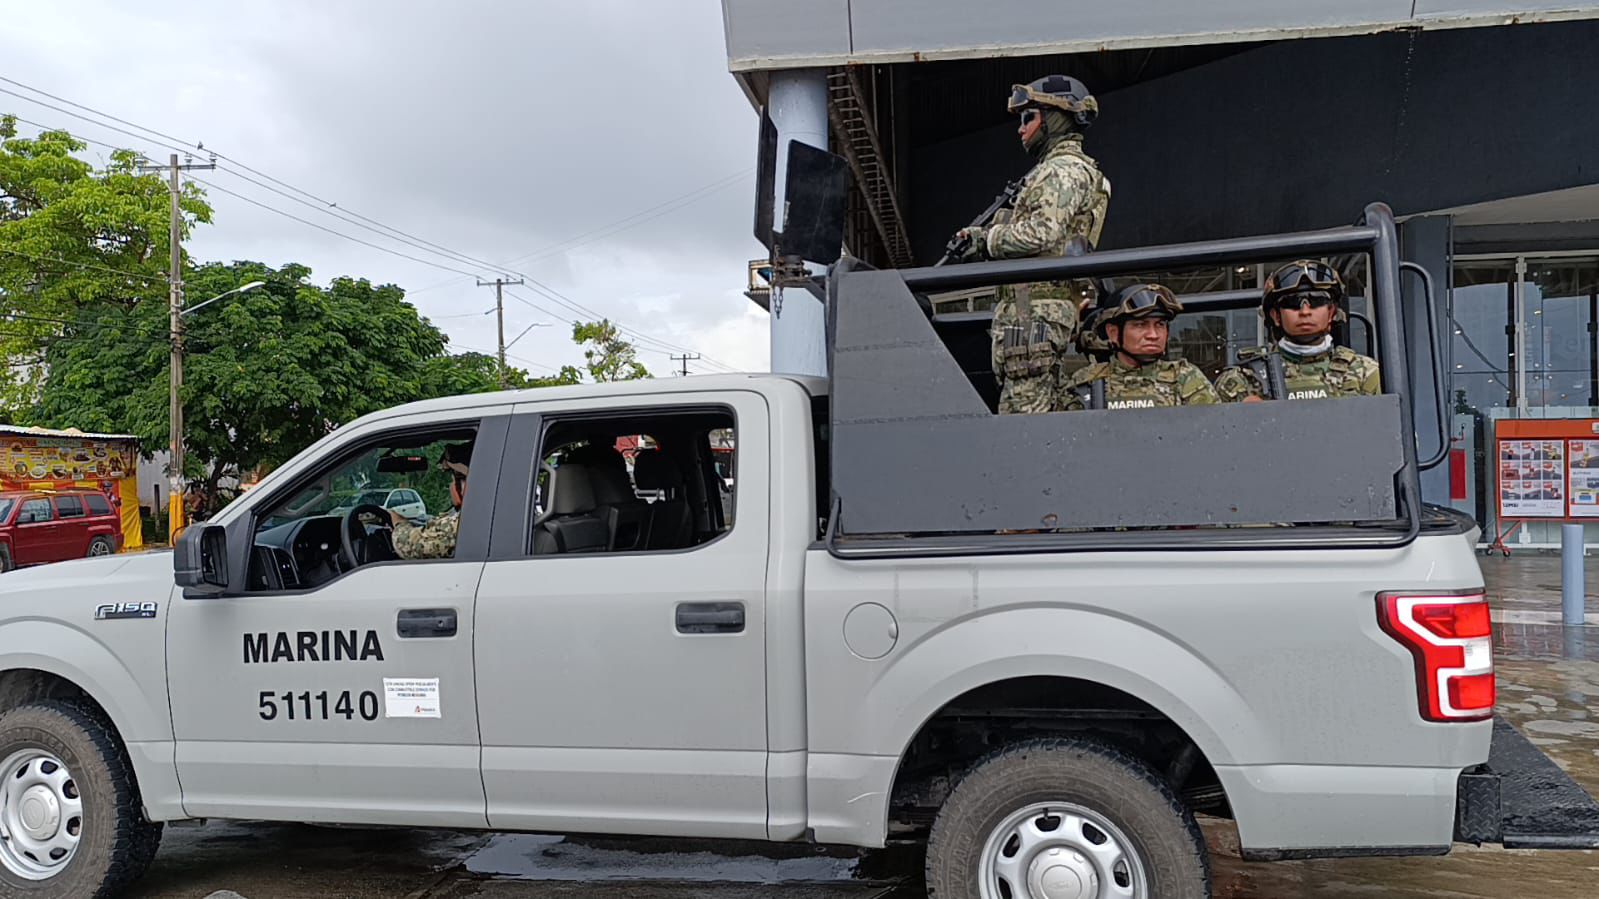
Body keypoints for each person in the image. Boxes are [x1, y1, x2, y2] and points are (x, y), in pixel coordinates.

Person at [954, 75, 1112, 414]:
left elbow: (1044, 232)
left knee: (1023, 424)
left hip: (1034, 315)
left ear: (1055, 118)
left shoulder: (1061, 170)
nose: (1021, 129)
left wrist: (985, 240)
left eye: (1029, 117)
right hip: (1034, 313)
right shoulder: (1063, 170)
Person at [1214, 260, 1381, 402]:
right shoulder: (1243, 380)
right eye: (1293, 302)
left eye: (1317, 300)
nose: (1305, 311)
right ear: (1276, 316)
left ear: (1331, 312)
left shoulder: (1365, 374)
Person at [1058, 284, 1219, 410]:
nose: (1153, 335)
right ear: (1113, 332)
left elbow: (1211, 433)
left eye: (1160, 325)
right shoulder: (1087, 382)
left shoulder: (1186, 379)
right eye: (1140, 325)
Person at [389, 442, 470, 560]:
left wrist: (398, 522)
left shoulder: (468, 522)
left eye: (454, 479)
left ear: (467, 483)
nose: (451, 485)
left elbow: (410, 545)